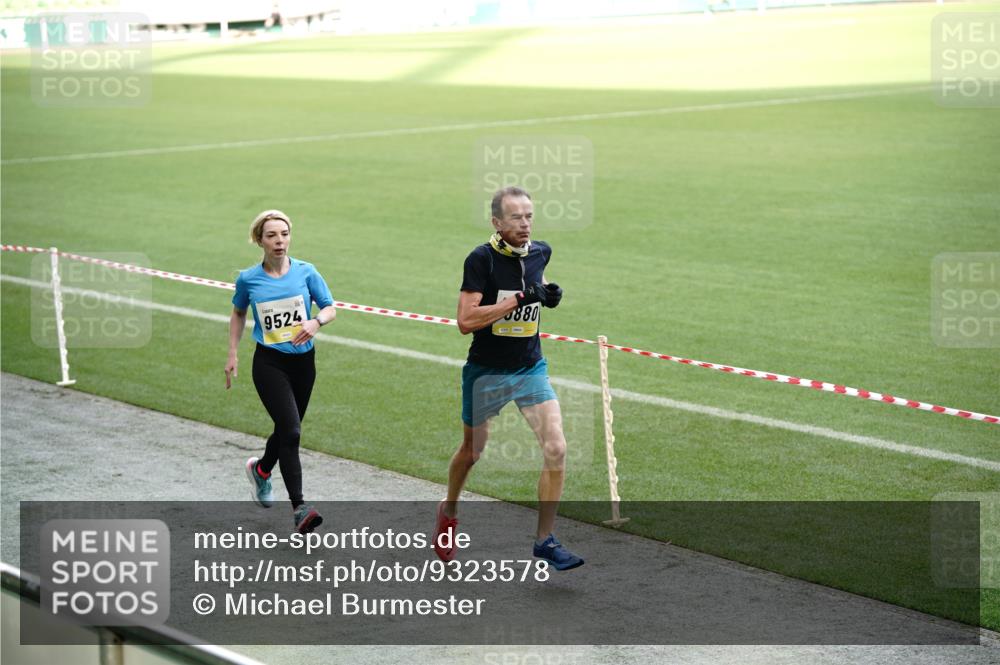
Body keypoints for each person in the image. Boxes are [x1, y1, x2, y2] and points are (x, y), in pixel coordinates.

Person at [434, 186, 583, 570]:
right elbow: (466, 322)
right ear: (497, 222)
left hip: (530, 368)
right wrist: (518, 299)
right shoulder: (480, 260)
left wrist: (547, 294)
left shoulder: (541, 252)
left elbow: (536, 281)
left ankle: (545, 540)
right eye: (516, 217)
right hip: (486, 373)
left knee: (557, 448)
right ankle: (448, 510)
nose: (525, 224)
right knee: (472, 453)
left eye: (529, 216)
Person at [225, 209, 336, 534]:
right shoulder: (248, 279)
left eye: (284, 234)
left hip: (304, 363)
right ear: (260, 240)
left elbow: (330, 307)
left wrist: (316, 322)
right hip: (269, 363)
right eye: (271, 235)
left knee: (288, 429)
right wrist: (232, 353)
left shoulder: (306, 272)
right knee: (291, 431)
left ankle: (261, 470)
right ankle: (300, 508)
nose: (279, 241)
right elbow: (238, 312)